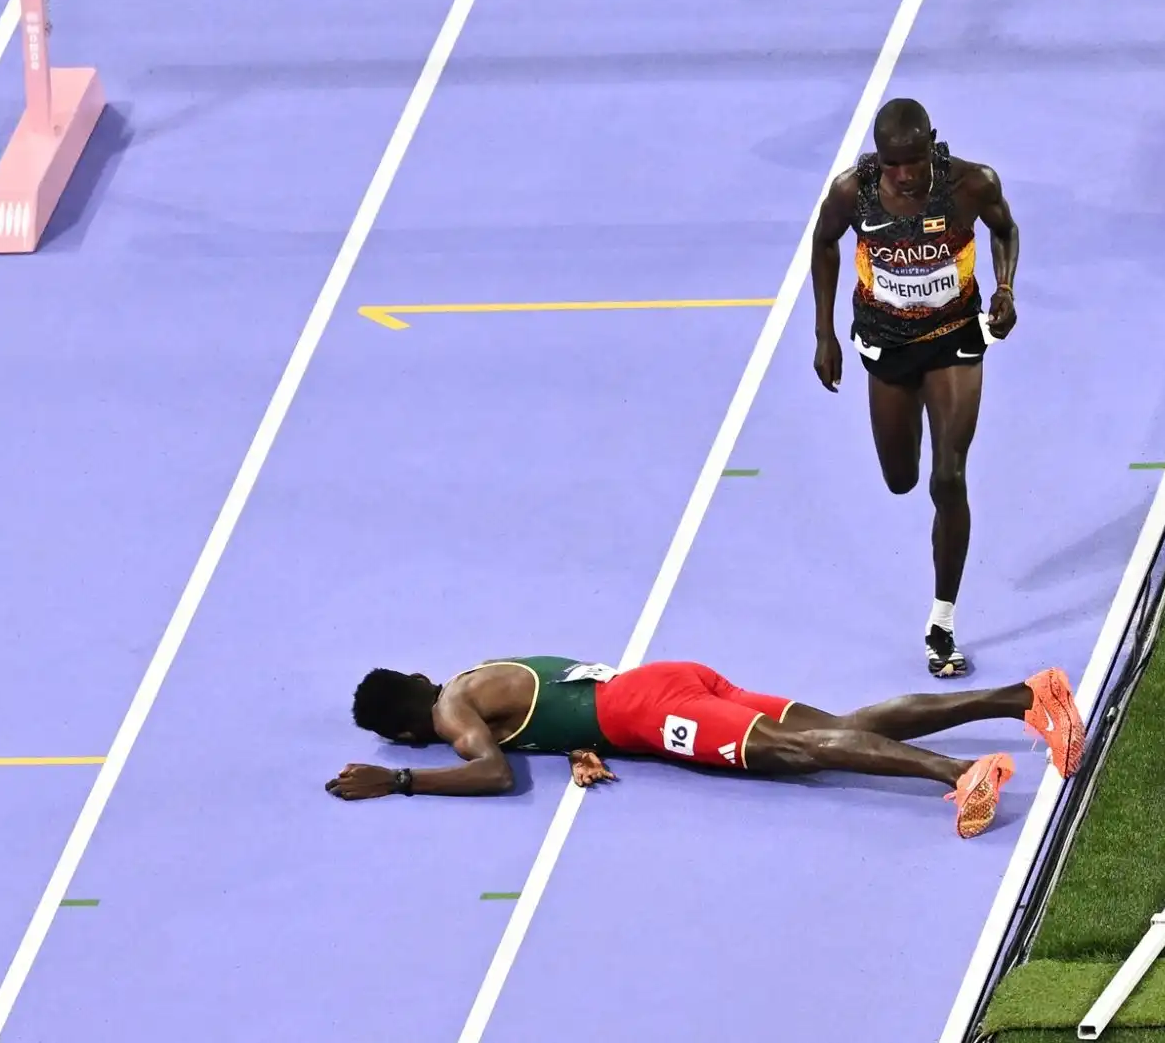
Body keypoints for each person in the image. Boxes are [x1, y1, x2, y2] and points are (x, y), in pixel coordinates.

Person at [326, 655, 1082, 839]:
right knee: (852, 727)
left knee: (806, 752)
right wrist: (577, 745)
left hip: (647, 713)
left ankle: (961, 773)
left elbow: (490, 771)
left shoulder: (454, 712)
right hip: (667, 678)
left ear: (404, 729)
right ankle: (1027, 697)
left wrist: (400, 782)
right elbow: (557, 701)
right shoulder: (475, 679)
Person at [810, 97, 1020, 679]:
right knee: (901, 480)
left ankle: (942, 622)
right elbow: (823, 245)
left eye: (914, 160)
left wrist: (1005, 288)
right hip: (887, 341)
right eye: (893, 163)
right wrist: (824, 333)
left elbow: (1006, 229)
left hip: (953, 334)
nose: (905, 175)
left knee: (948, 477)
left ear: (932, 144)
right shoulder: (854, 192)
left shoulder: (972, 184)